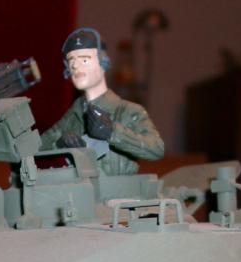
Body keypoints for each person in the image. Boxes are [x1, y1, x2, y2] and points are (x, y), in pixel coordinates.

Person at [40, 27, 164, 175]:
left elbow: (156, 149)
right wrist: (58, 143)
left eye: (84, 60)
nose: (76, 66)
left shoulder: (128, 111)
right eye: (71, 61)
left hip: (121, 187)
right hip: (82, 186)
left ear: (102, 63)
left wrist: (112, 132)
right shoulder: (74, 115)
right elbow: (37, 146)